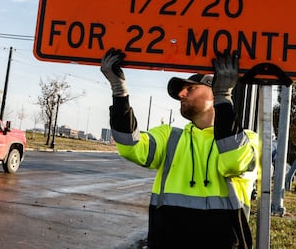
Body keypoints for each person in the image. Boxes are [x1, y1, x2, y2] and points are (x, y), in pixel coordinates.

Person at [100, 48, 260, 249]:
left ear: (214, 90)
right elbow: (129, 146)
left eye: (191, 89)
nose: (181, 94)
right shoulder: (170, 137)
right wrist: (119, 91)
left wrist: (223, 98)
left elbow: (235, 162)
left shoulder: (248, 138)